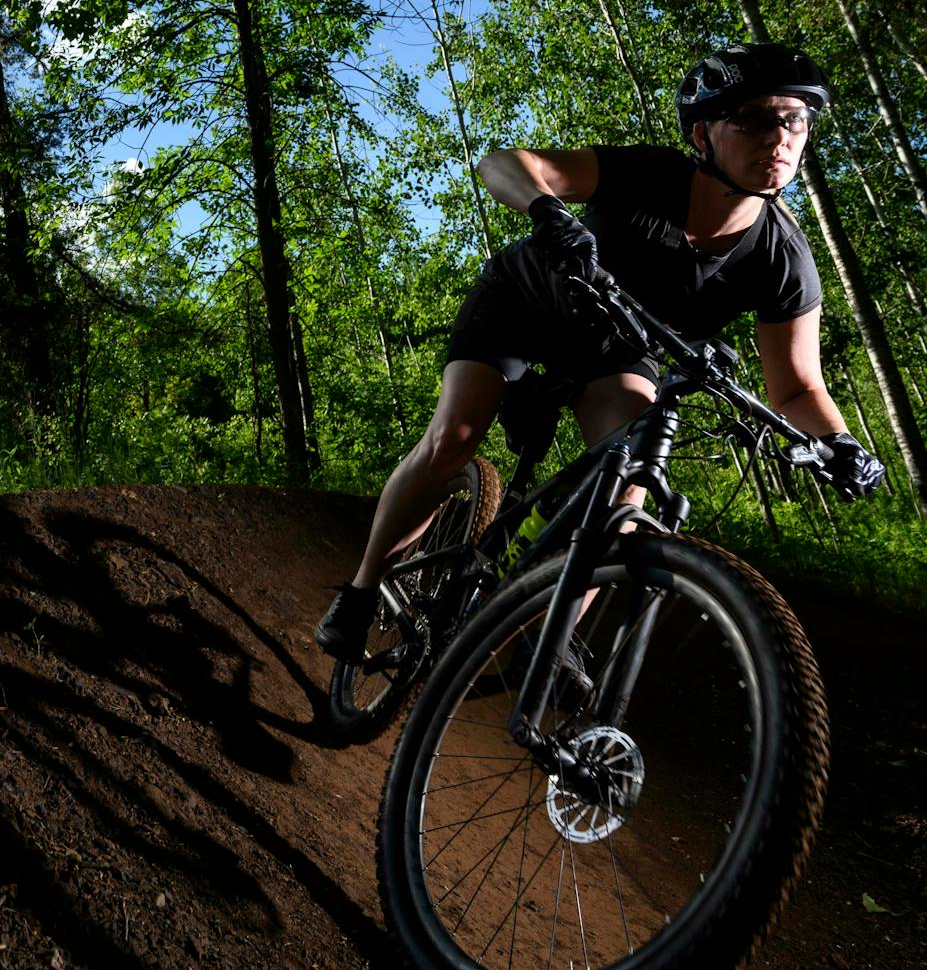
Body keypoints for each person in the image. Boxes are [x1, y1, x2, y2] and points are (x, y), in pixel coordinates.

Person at [315, 42, 886, 659]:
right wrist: (546, 211)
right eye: (752, 118)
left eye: (794, 119)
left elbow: (798, 387)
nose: (779, 136)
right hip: (525, 304)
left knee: (626, 491)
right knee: (454, 436)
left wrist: (842, 443)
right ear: (702, 134)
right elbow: (505, 162)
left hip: (619, 351)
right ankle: (363, 589)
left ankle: (542, 644)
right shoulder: (648, 174)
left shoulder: (784, 257)